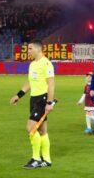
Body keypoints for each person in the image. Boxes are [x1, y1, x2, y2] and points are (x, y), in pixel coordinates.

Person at [10, 40, 55, 169]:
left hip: (42, 99)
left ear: (38, 49)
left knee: (31, 128)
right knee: (42, 130)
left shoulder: (46, 63)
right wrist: (18, 95)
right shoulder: (33, 64)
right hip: (34, 99)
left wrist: (49, 102)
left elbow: (51, 84)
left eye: (30, 49)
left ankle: (36, 159)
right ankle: (47, 160)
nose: (28, 51)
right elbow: (30, 82)